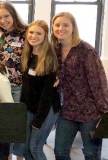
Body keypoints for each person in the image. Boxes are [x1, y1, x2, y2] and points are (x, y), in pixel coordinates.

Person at [51, 12, 108, 160]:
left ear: (73, 28)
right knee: (60, 152)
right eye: (57, 25)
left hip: (90, 111)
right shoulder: (54, 50)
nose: (60, 28)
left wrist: (105, 111)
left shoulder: (86, 51)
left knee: (91, 154)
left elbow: (99, 82)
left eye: (65, 25)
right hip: (67, 110)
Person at [20, 20, 60, 160]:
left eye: (39, 33)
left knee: (35, 148)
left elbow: (47, 95)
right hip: (30, 107)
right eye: (31, 32)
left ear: (45, 36)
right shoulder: (27, 55)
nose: (34, 36)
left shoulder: (49, 58)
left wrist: (38, 121)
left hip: (46, 109)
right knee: (25, 150)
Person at [0, 2, 28, 159]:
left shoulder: (26, 34)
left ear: (14, 15)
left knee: (19, 124)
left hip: (20, 86)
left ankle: (19, 156)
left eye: (6, 16)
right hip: (2, 87)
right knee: (5, 125)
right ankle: (8, 157)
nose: (2, 20)